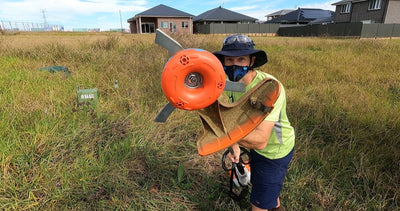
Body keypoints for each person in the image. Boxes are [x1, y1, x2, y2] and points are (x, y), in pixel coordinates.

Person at [213, 34, 295, 211]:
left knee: (258, 204)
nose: (235, 64)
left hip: (274, 150)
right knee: (265, 189)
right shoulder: (230, 84)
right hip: (256, 148)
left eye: (241, 59)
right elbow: (233, 119)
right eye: (229, 59)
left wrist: (224, 134)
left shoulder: (270, 88)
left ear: (252, 61)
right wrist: (233, 145)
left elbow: (261, 140)